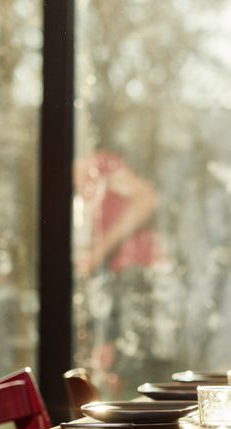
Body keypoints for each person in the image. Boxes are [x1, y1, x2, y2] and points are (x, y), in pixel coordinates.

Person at [73, 151, 170, 396]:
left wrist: (100, 250)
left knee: (128, 366)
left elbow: (147, 199)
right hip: (105, 281)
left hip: (129, 277)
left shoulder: (103, 165)